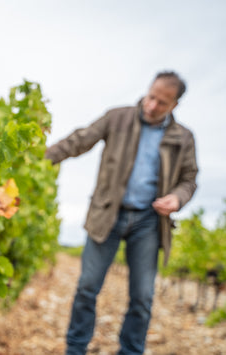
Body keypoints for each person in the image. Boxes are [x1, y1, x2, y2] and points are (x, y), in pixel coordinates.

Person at [44, 71, 198, 355]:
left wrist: (177, 198)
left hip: (149, 221)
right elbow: (79, 141)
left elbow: (190, 179)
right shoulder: (117, 118)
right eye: (151, 97)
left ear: (174, 105)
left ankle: (130, 351)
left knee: (142, 296)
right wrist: (40, 158)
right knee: (87, 287)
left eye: (162, 103)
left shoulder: (183, 137)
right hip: (108, 214)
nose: (152, 106)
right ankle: (75, 349)